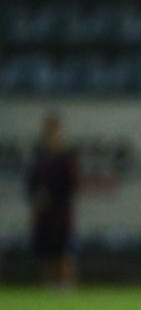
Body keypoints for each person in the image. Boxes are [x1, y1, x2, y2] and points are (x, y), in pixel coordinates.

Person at [25, 114, 80, 286]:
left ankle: (66, 286)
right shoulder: (39, 157)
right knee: (46, 252)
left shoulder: (66, 157)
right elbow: (31, 183)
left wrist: (54, 197)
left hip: (61, 212)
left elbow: (73, 185)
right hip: (44, 212)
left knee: (64, 252)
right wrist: (36, 200)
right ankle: (47, 286)